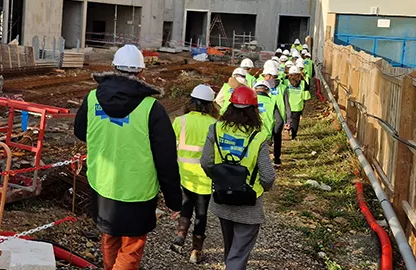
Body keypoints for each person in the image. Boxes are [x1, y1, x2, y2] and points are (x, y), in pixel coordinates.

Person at [74, 44, 183, 270]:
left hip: (102, 184)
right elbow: (166, 159)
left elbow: (80, 132)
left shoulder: (92, 98)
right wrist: (174, 200)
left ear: (113, 68)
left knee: (110, 235)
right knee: (131, 246)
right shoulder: (152, 109)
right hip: (137, 191)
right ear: (141, 73)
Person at [201, 86, 275, 270]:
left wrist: (219, 179)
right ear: (254, 110)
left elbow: (205, 162)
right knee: (239, 253)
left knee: (231, 248)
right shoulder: (257, 137)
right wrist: (263, 187)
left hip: (222, 197)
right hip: (248, 203)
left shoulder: (216, 129)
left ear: (230, 107)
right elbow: (268, 176)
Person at [171, 84, 221, 263]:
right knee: (201, 213)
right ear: (210, 105)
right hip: (205, 177)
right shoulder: (215, 125)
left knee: (186, 205)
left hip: (184, 174)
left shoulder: (180, 121)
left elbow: (170, 146)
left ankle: (180, 236)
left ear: (191, 101)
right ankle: (195, 251)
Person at [259, 61, 290, 166]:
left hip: (265, 117)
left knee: (263, 138)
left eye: (265, 75)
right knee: (277, 138)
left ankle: (263, 161)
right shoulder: (282, 87)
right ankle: (277, 159)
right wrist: (288, 120)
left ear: (270, 75)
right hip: (279, 118)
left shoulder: (260, 86)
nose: (263, 77)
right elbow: (287, 105)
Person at [282, 66, 311, 140]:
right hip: (298, 106)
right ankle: (293, 136)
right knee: (295, 121)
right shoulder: (303, 83)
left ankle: (287, 130)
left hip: (287, 105)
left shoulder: (285, 82)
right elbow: (306, 97)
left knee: (287, 119)